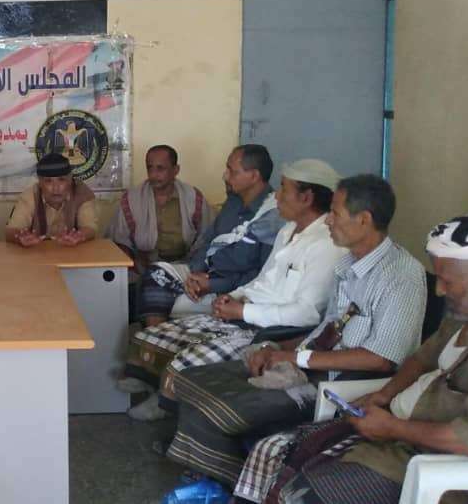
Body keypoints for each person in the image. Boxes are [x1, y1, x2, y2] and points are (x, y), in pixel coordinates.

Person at [164, 175, 427, 486]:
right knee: (190, 381)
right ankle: (226, 478)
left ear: (364, 220)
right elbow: (328, 329)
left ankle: (236, 484)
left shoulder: (401, 275)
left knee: (221, 407)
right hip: (307, 365)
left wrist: (296, 358)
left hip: (340, 385)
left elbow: (380, 359)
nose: (328, 220)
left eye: (336, 213)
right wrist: (279, 349)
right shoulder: (349, 265)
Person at [236, 215, 468, 504]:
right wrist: (384, 395)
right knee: (276, 451)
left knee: (304, 495)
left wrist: (392, 427)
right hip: (395, 432)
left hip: (424, 461)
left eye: (446, 281)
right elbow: (421, 359)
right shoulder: (465, 316)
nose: (439, 290)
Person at [127, 159, 346, 421]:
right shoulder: (287, 230)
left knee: (183, 363)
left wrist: (242, 311)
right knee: (151, 337)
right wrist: (234, 297)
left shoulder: (326, 244)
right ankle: (167, 399)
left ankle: (174, 410)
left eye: (284, 189)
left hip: (270, 330)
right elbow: (263, 280)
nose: (277, 196)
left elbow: (307, 313)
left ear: (306, 197)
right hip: (245, 313)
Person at [137, 144, 283, 325]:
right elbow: (208, 241)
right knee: (155, 275)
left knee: (165, 300)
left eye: (232, 171)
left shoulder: (272, 216)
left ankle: (158, 337)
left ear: (253, 176)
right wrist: (197, 272)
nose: (225, 176)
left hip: (233, 290)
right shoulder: (233, 202)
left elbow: (261, 275)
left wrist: (212, 284)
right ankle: (155, 338)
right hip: (205, 275)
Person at [107, 145, 213, 319]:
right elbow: (119, 242)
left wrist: (195, 269)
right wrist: (136, 264)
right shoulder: (132, 199)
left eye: (160, 168)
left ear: (175, 170)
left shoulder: (193, 198)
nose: (153, 175)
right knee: (119, 295)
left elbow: (207, 239)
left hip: (186, 268)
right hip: (141, 268)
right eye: (150, 168)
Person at [5, 153, 98, 247]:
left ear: (70, 179)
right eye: (48, 181)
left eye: (62, 180)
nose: (56, 188)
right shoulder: (30, 195)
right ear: (40, 182)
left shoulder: (82, 193)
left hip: (72, 251)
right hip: (36, 252)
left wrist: (79, 236)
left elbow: (89, 227)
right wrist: (20, 237)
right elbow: (11, 231)